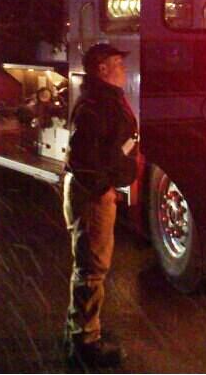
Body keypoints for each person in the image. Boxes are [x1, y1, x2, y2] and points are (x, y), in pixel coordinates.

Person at [63, 43, 142, 367]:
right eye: (117, 65)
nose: (123, 70)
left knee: (91, 266)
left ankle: (82, 331)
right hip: (92, 197)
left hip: (96, 193)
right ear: (102, 69)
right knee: (92, 269)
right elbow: (84, 159)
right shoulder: (95, 106)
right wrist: (103, 189)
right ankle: (85, 344)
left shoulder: (103, 100)